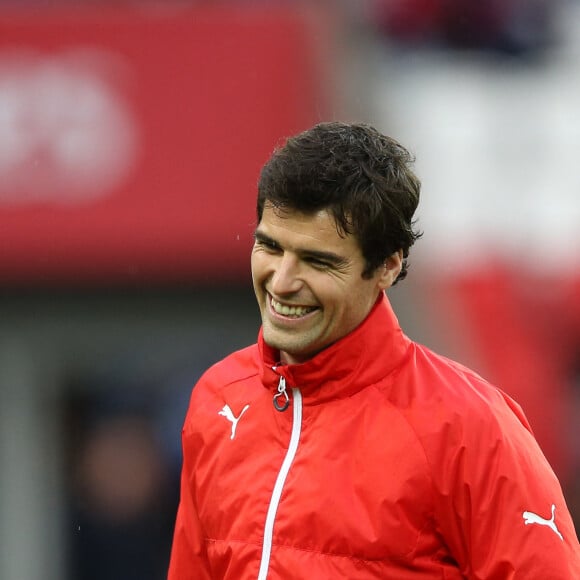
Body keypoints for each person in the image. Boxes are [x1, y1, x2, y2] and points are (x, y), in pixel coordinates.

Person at [168, 121, 580, 579]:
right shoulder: (218, 398)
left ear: (386, 266)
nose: (281, 281)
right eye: (270, 247)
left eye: (318, 261)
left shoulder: (469, 425)